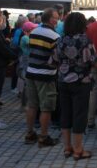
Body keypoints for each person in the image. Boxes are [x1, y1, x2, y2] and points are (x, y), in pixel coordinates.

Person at [51, 12, 97, 160]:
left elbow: (53, 60)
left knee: (65, 113)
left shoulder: (60, 40)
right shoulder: (85, 40)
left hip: (63, 81)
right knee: (79, 114)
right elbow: (95, 60)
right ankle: (78, 150)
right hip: (81, 82)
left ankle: (67, 148)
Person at [25, 8, 60, 147]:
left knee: (32, 105)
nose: (58, 20)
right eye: (57, 17)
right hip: (45, 75)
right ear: (51, 20)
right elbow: (56, 58)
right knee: (46, 107)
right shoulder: (54, 36)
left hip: (31, 72)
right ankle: (44, 137)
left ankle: (30, 134)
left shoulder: (33, 32)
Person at [18, 21, 39, 106]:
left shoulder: (27, 37)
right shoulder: (25, 38)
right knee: (27, 81)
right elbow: (33, 44)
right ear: (29, 30)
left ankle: (26, 100)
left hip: (28, 59)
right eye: (34, 28)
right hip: (26, 59)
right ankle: (26, 101)